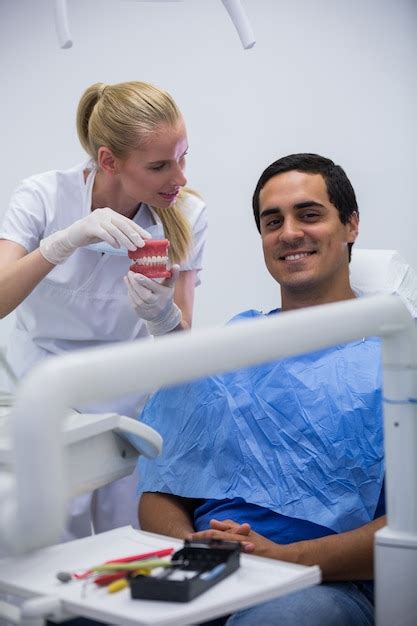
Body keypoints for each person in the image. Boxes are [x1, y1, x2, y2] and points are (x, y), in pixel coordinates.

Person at [137, 153, 385, 626]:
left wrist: (281, 557)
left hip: (323, 583)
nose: (289, 232)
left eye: (309, 214)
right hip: (207, 570)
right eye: (273, 221)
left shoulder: (396, 353)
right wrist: (192, 546)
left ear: (351, 225)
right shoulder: (234, 347)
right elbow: (160, 489)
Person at [0, 80, 207, 540]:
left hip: (128, 399)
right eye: (160, 166)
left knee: (129, 543)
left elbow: (181, 345)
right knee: (47, 542)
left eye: (183, 156)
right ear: (109, 160)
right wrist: (61, 243)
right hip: (42, 390)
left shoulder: (188, 215)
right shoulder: (43, 198)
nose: (181, 178)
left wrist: (163, 318)